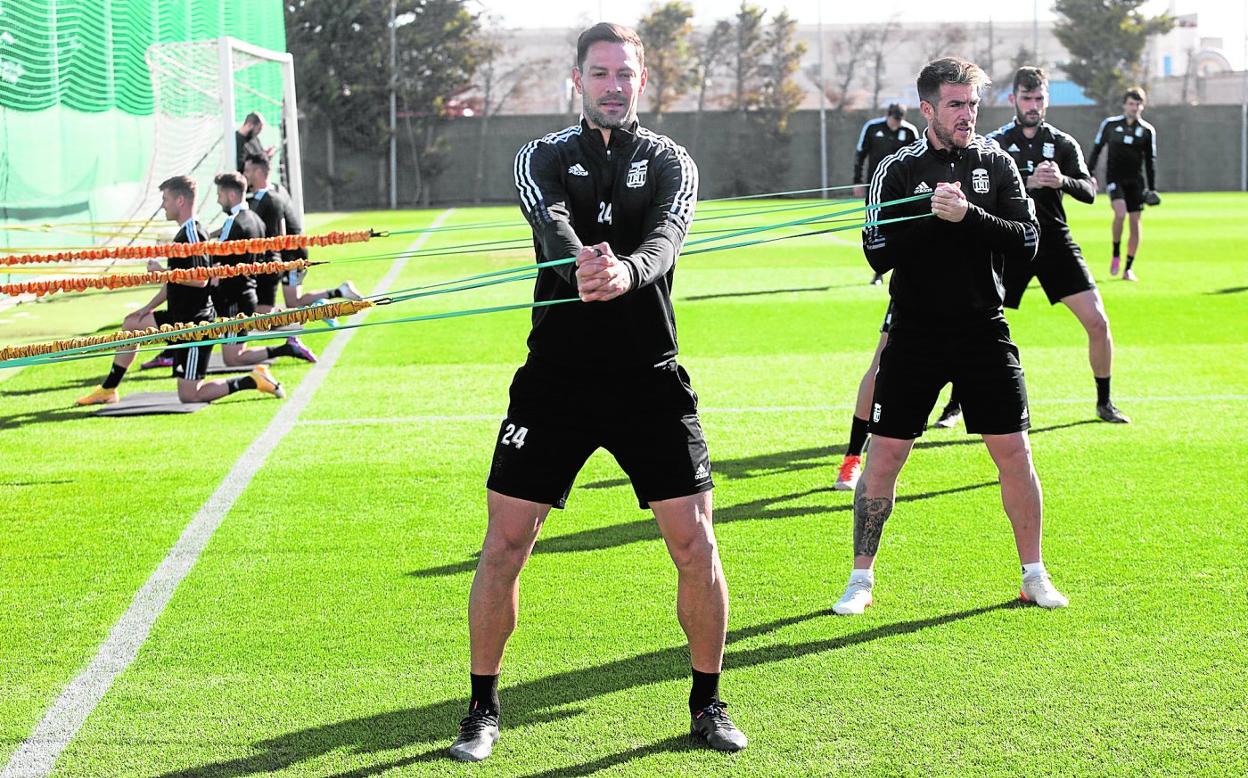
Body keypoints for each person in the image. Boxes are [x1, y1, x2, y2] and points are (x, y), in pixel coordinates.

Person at [447, 22, 746, 764]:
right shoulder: (541, 155)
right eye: (600, 73)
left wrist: (627, 274)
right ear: (576, 79)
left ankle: (707, 703)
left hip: (650, 376)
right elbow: (545, 218)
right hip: (557, 380)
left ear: (643, 81)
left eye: (626, 74)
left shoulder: (672, 160)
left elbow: (667, 239)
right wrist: (579, 258)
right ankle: (482, 709)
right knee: (505, 545)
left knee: (695, 544)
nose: (614, 85)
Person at [831, 57, 1068, 616]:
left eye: (974, 104)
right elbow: (877, 252)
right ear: (929, 109)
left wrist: (969, 217)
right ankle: (860, 579)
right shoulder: (895, 169)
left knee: (1015, 453)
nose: (968, 115)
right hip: (914, 332)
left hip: (984, 329)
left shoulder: (997, 163)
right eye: (957, 105)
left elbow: (1027, 242)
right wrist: (926, 215)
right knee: (885, 457)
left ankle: (1033, 573)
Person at [987, 67, 1130, 424]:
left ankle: (1104, 402)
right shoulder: (996, 143)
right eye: (1026, 98)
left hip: (1054, 243)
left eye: (1039, 99)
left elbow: (1089, 191)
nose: (1033, 105)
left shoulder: (1062, 143)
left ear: (1046, 100)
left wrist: (1062, 180)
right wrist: (1026, 181)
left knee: (1098, 322)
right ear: (1013, 100)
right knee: (976, 324)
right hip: (1011, 242)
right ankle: (956, 404)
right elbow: (982, 191)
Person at [76, 176, 284, 406]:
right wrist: (147, 308)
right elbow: (174, 282)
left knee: (189, 395)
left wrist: (163, 272)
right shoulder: (182, 234)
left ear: (180, 200)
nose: (163, 205)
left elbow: (201, 279)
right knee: (131, 324)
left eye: (166, 199)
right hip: (177, 319)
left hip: (195, 327)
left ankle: (252, 380)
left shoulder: (193, 235)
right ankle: (108, 389)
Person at [832, 303, 961, 491]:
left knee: (975, 364)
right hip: (913, 293)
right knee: (879, 369)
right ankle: (853, 458)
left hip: (970, 297)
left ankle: (1011, 462)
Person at [211, 172, 315, 366]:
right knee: (233, 355)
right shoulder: (255, 219)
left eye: (220, 195)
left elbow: (217, 259)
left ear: (231, 195)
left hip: (234, 297)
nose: (218, 200)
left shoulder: (233, 222)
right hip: (246, 293)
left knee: (233, 358)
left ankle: (285, 349)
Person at [243, 153, 361, 312]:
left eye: (248, 171)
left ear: (258, 172)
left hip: (292, 253)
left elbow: (281, 233)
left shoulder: (271, 198)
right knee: (291, 303)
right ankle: (336, 294)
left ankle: (331, 299)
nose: (245, 175)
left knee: (293, 303)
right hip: (289, 252)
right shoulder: (276, 189)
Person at [1088, 87, 1158, 282]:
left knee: (1135, 222)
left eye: (1137, 104)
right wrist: (1089, 173)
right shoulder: (1110, 125)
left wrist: (1151, 188)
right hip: (1115, 179)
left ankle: (1128, 268)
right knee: (1120, 213)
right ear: (1124, 105)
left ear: (1142, 106)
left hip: (1136, 182)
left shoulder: (1146, 131)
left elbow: (1150, 161)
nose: (1134, 107)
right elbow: (1097, 149)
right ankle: (1116, 253)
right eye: (1131, 103)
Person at [853, 103, 920, 285]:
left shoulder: (909, 131)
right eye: (894, 119)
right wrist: (858, 181)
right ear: (887, 115)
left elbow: (918, 160)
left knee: (905, 228)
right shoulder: (872, 128)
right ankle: (879, 272)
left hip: (903, 189)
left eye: (899, 120)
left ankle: (906, 271)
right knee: (877, 228)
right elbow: (860, 154)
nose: (896, 124)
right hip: (876, 187)